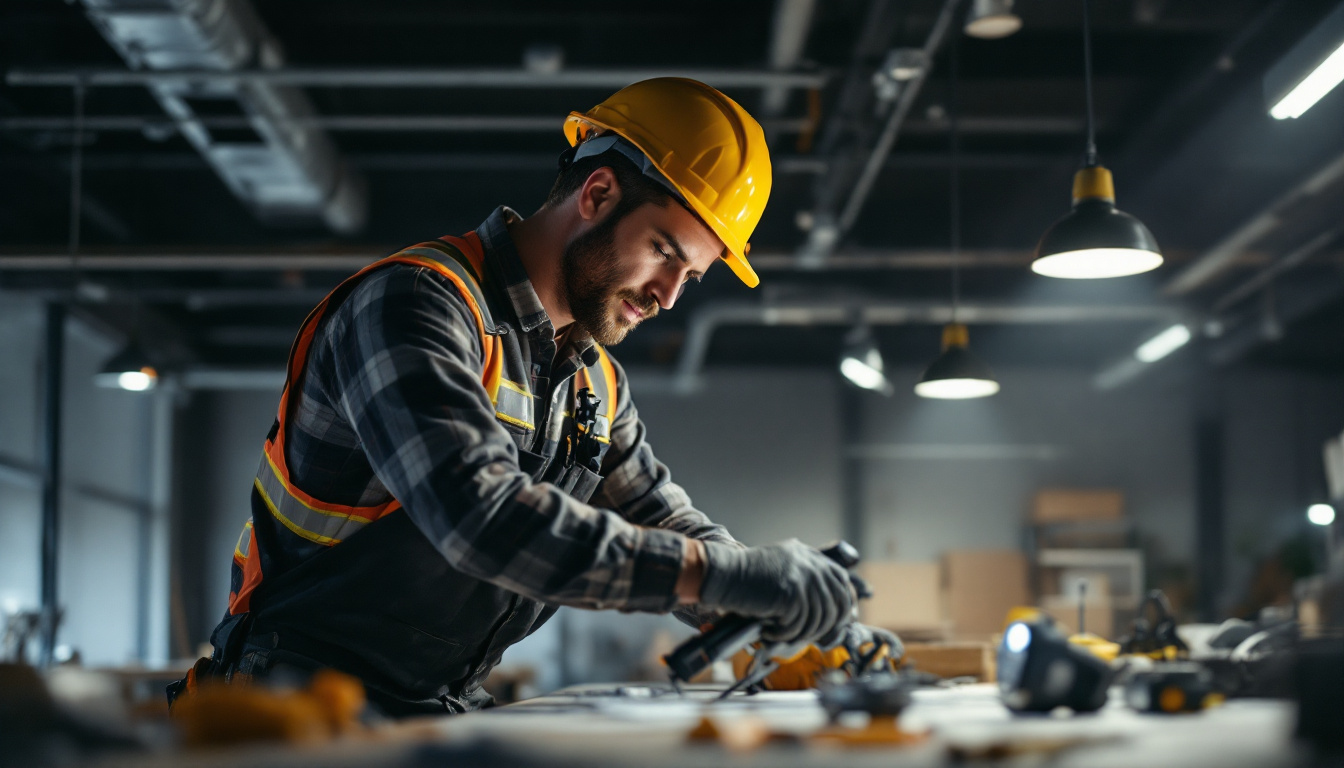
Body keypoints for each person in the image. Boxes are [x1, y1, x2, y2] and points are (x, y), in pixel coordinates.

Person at [170, 78, 892, 717]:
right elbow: (479, 519)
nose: (669, 297)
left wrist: (788, 611)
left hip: (432, 705)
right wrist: (735, 576)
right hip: (295, 712)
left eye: (690, 277)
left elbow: (664, 521)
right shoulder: (417, 305)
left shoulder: (594, 382)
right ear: (598, 194)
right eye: (666, 253)